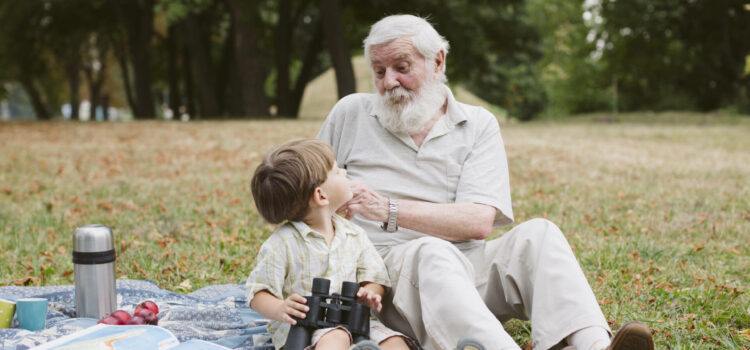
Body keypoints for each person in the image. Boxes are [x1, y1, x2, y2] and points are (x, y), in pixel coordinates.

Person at [317, 15, 655, 350]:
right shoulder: (351, 113)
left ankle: (595, 345)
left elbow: (478, 221)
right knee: (430, 251)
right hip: (383, 283)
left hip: (465, 271)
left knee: (539, 235)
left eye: (401, 68)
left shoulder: (476, 124)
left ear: (438, 62)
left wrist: (386, 209)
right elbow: (306, 186)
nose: (389, 81)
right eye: (379, 71)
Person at [245, 139, 415, 350]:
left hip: (356, 320)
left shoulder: (354, 234)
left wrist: (370, 293)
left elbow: (375, 277)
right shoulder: (283, 243)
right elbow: (257, 292)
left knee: (394, 342)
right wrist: (280, 308)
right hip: (304, 329)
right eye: (336, 171)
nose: (344, 172)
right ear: (321, 195)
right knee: (336, 338)